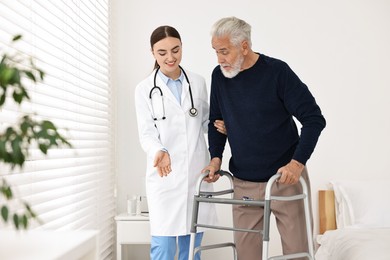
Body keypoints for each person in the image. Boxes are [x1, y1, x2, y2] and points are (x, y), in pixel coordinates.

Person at [203, 17, 326, 260]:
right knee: (246, 255)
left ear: (244, 46)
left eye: (224, 51)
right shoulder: (220, 76)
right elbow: (216, 123)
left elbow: (314, 119)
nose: (219, 59)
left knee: (297, 253)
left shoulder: (277, 72)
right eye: (216, 52)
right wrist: (215, 158)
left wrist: (297, 163)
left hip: (285, 180)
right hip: (245, 182)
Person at [134, 25, 218, 260]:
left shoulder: (198, 83)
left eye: (175, 50)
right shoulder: (143, 90)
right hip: (165, 177)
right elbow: (146, 133)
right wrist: (158, 151)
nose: (170, 57)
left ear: (182, 48)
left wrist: (218, 125)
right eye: (162, 53)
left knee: (192, 250)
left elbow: (204, 124)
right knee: (164, 249)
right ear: (152, 53)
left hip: (195, 173)